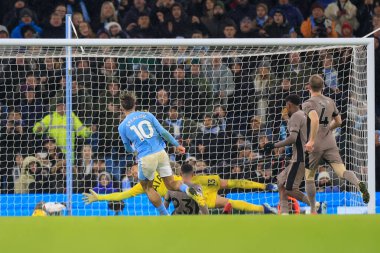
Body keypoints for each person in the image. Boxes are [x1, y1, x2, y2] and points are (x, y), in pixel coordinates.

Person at [110, 91, 205, 215]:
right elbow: (163, 132)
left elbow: (127, 147)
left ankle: (164, 216)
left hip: (146, 157)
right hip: (161, 152)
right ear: (135, 104)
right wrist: (177, 145)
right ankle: (189, 190)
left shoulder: (122, 126)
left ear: (122, 107)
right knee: (171, 184)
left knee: (147, 187)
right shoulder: (147, 114)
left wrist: (133, 151)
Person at [83, 163, 278, 214]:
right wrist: (100, 197)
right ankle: (265, 209)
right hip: (193, 198)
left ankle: (265, 185)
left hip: (195, 184)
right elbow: (121, 194)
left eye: (134, 169)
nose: (133, 173)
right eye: (132, 172)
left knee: (228, 183)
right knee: (230, 203)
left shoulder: (155, 168)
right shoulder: (141, 186)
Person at [302, 74, 370, 213]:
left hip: (315, 144)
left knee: (309, 177)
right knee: (341, 171)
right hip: (330, 141)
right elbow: (339, 121)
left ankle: (313, 210)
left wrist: (312, 140)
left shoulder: (308, 103)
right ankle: (358, 183)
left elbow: (314, 120)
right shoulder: (330, 101)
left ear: (309, 87)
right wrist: (328, 128)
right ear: (323, 87)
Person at [263, 95, 319, 214]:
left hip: (300, 157)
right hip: (302, 156)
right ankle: (284, 214)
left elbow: (293, 138)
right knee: (280, 182)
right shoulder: (303, 115)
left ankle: (315, 205)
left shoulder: (296, 115)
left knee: (290, 189)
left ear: (289, 104)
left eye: (286, 105)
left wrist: (274, 145)